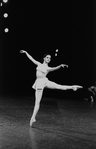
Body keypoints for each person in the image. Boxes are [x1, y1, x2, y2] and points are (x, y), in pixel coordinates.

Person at [20, 50, 83, 127]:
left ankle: (73, 87)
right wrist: (26, 52)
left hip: (45, 81)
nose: (49, 59)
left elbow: (55, 68)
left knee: (59, 86)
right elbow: (31, 58)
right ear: (44, 58)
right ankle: (33, 117)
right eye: (47, 57)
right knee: (37, 102)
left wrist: (60, 65)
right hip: (39, 83)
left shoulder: (48, 68)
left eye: (50, 58)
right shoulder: (39, 64)